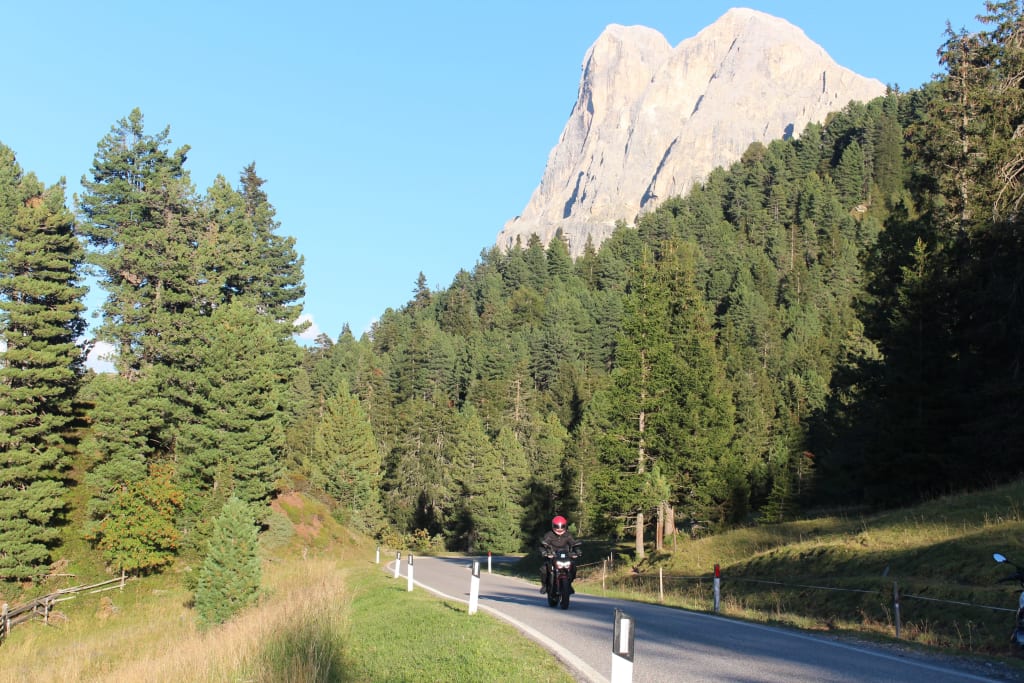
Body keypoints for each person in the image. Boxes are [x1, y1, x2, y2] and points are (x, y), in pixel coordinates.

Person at [538, 515, 578, 593]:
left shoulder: (568, 535)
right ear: (553, 526)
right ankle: (545, 586)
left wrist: (577, 550)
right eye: (557, 526)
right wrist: (544, 552)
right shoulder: (549, 535)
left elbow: (574, 544)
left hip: (565, 556)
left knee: (573, 568)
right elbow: (542, 545)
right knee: (543, 569)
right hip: (552, 556)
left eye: (562, 526)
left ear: (565, 526)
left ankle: (569, 585)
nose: (559, 529)